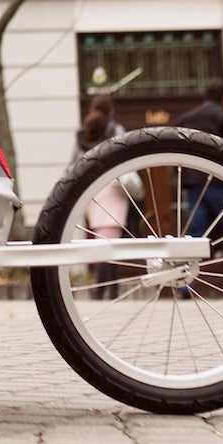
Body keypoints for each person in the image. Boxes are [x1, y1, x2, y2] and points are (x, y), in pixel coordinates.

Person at [173, 81, 223, 296]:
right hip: (222, 185)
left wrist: (182, 182)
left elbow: (176, 152)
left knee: (196, 236)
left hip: (195, 186)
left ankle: (186, 286)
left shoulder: (187, 119)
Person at [68, 94, 127, 294]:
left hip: (93, 190)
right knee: (111, 240)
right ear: (111, 111)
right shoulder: (116, 130)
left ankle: (107, 287)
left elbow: (73, 163)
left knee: (102, 239)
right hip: (113, 186)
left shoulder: (83, 134)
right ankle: (105, 287)